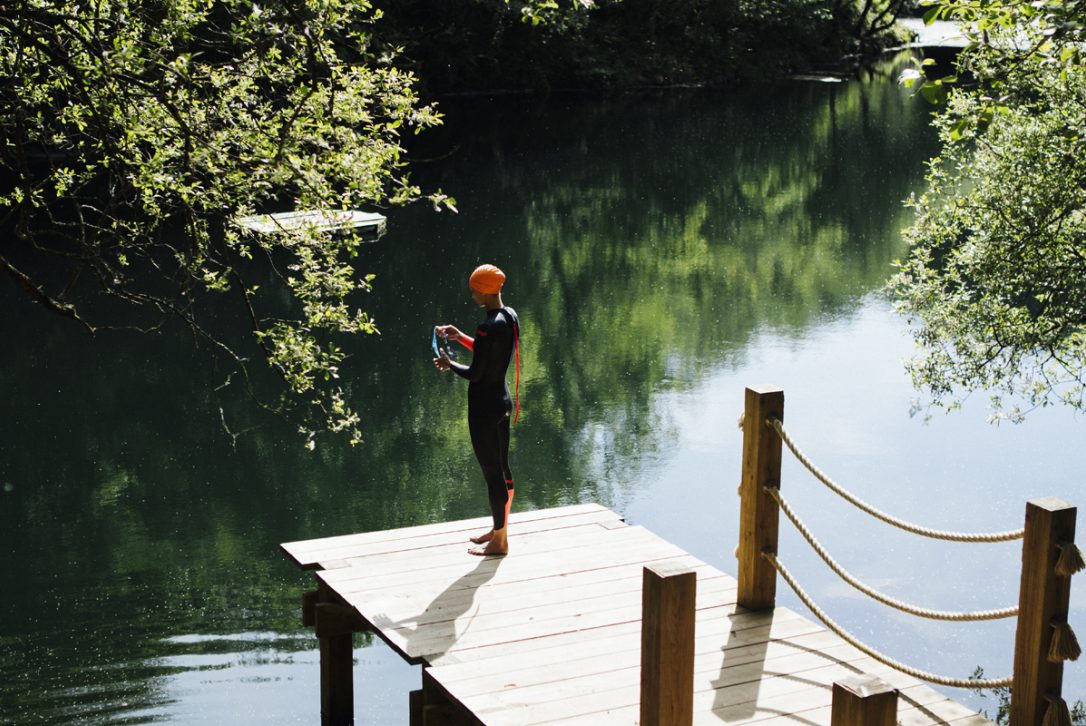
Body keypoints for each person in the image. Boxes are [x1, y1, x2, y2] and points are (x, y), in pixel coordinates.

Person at [434, 264, 521, 556]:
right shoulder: (509, 316)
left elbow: (475, 373)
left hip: (484, 408)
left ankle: (500, 542)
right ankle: (500, 530)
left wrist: (449, 364)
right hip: (503, 401)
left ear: (484, 292)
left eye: (473, 290)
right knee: (503, 470)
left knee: (492, 474)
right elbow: (491, 355)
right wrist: (460, 338)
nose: (471, 295)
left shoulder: (486, 327)